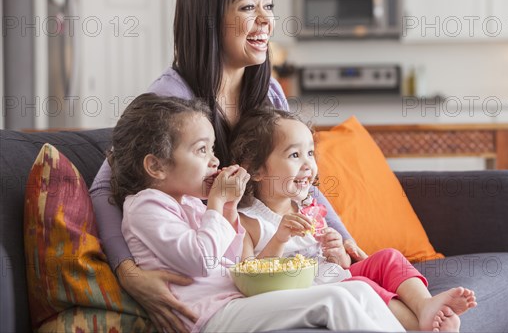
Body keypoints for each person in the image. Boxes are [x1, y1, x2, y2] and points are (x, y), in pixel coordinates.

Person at [89, 0, 367, 331]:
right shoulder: (172, 99)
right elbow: (106, 185)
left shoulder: (267, 91)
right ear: (207, 20)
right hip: (223, 275)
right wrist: (129, 273)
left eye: (268, 6)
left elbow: (300, 178)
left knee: (369, 293)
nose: (266, 20)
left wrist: (346, 240)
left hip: (263, 254)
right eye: (249, 7)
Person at [108, 93, 404, 333]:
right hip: (209, 317)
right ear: (156, 166)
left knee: (359, 292)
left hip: (235, 302)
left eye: (213, 150)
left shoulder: (186, 203)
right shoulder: (145, 206)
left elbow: (234, 259)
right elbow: (201, 260)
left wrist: (227, 207)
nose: (214, 161)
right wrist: (216, 203)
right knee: (334, 299)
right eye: (201, 151)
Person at [229, 108, 478, 332]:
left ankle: (425, 305)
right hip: (310, 290)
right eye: (294, 155)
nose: (308, 164)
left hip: (332, 272)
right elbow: (250, 280)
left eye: (310, 153)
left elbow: (341, 264)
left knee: (388, 257)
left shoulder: (307, 208)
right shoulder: (247, 220)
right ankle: (420, 327)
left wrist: (337, 252)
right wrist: (280, 238)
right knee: (362, 285)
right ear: (256, 169)